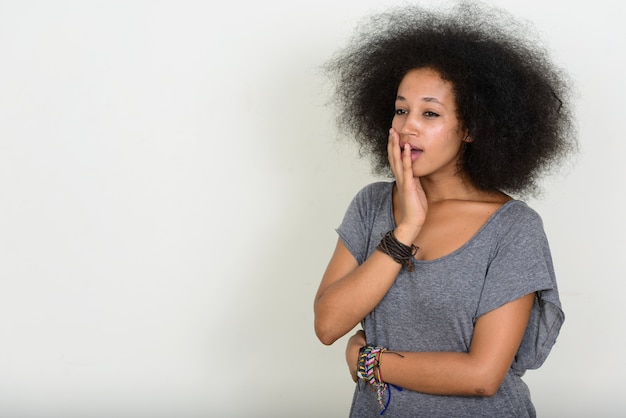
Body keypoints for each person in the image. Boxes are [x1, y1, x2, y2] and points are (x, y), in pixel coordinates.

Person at [313, 2, 576, 417]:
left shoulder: (513, 228)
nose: (407, 126)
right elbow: (328, 324)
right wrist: (407, 228)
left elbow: (482, 376)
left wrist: (370, 361)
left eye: (429, 113)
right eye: (401, 110)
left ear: (471, 127)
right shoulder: (372, 204)